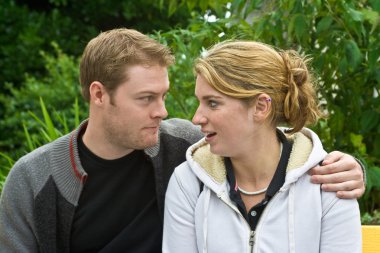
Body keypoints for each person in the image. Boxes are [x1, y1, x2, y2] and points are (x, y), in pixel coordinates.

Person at [0, 29, 363, 252]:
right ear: (99, 95)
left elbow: (263, 142)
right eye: (146, 99)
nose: (164, 112)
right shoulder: (34, 179)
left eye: (164, 95)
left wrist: (344, 167)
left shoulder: (184, 146)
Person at [163, 41, 361, 252]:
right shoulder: (189, 182)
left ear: (261, 107)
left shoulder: (328, 184)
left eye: (213, 103)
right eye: (200, 102)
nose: (196, 118)